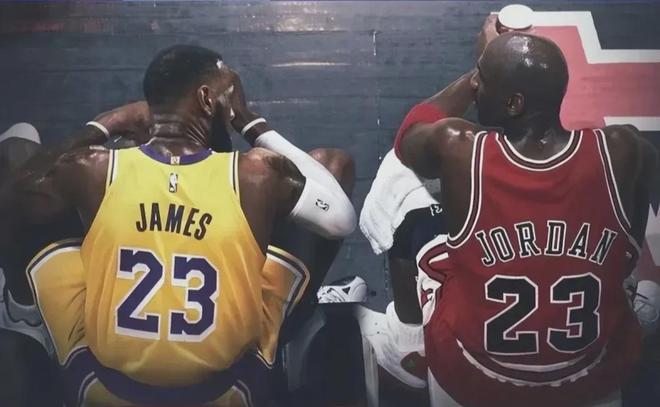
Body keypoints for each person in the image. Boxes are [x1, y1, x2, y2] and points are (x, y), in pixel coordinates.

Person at [1, 44, 356, 406]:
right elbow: (341, 218)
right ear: (206, 99)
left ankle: (21, 306)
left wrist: (104, 125)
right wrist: (250, 121)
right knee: (332, 165)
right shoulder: (256, 174)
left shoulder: (94, 168)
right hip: (230, 391)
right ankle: (297, 318)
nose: (234, 98)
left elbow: (13, 194)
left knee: (18, 153)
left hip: (104, 390)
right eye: (231, 89)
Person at [396, 17, 658, 407]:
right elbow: (646, 189)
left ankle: (401, 335)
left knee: (408, 208)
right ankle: (628, 289)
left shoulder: (460, 148)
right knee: (628, 256)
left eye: (481, 79)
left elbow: (408, 136)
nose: (475, 85)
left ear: (514, 104)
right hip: (590, 371)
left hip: (478, 375)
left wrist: (479, 62)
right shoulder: (622, 148)